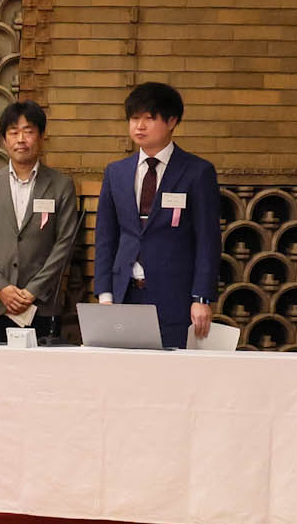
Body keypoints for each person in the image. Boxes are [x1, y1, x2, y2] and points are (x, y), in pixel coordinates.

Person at [93, 80, 221, 348]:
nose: (139, 126)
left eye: (149, 118)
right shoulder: (115, 172)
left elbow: (208, 240)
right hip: (124, 294)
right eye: (134, 118)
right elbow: (106, 237)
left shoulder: (197, 172)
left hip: (175, 297)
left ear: (172, 121)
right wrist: (105, 293)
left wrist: (201, 298)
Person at [0, 99, 82, 341]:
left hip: (42, 304)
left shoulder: (61, 186)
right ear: (4, 140)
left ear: (41, 137)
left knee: (41, 376)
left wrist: (33, 291)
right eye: (14, 132)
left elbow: (65, 244)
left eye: (28, 132)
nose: (21, 139)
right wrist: (1, 288)